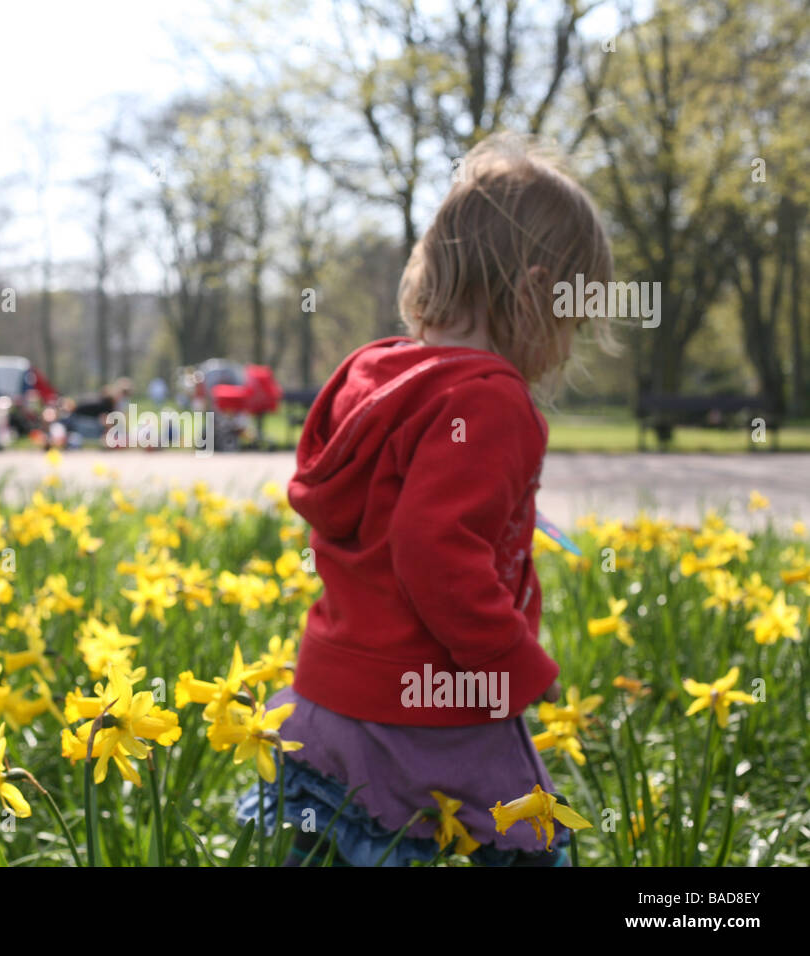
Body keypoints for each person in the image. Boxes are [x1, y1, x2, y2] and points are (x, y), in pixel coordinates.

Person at [236, 132, 617, 866]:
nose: (568, 347)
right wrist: (509, 664)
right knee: (526, 850)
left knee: (335, 844)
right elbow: (431, 547)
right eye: (571, 321)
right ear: (535, 294)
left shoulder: (379, 380)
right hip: (432, 711)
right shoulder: (492, 400)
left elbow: (401, 510)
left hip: (329, 699)